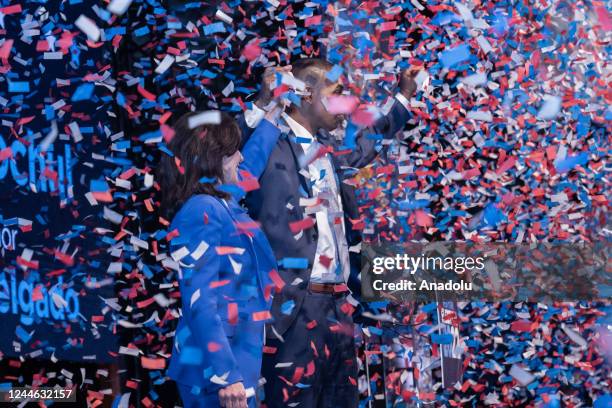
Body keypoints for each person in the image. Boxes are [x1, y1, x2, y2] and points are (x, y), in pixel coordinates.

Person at [239, 59, 418, 407]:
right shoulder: (267, 142)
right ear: (306, 95)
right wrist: (264, 102)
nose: (346, 103)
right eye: (337, 93)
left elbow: (370, 141)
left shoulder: (330, 148)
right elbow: (238, 157)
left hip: (338, 307)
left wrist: (404, 96)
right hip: (292, 312)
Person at [159, 108, 281, 408]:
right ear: (212, 159)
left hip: (238, 365)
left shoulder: (222, 202)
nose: (240, 158)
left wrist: (273, 116)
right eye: (232, 152)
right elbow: (199, 299)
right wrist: (225, 374)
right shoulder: (201, 210)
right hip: (216, 375)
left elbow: (249, 167)